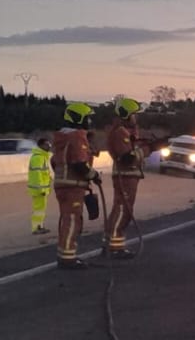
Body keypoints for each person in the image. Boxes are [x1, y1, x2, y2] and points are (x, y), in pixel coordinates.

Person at [52, 102, 97, 269]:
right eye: (87, 118)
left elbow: (54, 161)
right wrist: (94, 175)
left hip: (61, 185)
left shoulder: (60, 137)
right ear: (78, 118)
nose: (89, 122)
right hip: (73, 185)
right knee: (72, 220)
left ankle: (64, 253)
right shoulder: (77, 136)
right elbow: (79, 163)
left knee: (65, 219)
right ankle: (68, 258)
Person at [104, 95, 148, 260]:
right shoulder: (120, 132)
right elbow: (126, 157)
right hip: (125, 176)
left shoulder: (128, 132)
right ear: (126, 115)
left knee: (124, 211)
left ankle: (115, 245)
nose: (136, 117)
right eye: (134, 114)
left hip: (130, 176)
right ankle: (113, 247)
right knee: (122, 211)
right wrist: (147, 150)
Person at [27, 136, 53, 235]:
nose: (49, 146)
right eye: (47, 144)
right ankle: (36, 227)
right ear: (41, 145)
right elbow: (38, 175)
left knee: (40, 209)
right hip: (39, 189)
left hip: (41, 189)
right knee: (38, 209)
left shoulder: (42, 156)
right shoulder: (38, 157)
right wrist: (41, 189)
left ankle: (40, 226)